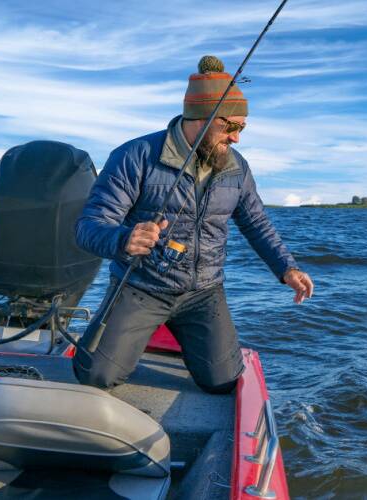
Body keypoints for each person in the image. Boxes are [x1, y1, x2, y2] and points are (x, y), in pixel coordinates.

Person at [73, 55, 313, 394]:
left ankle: (176, 333)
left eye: (242, 128)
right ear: (202, 117)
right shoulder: (134, 155)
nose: (237, 138)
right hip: (142, 288)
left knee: (223, 382)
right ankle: (133, 330)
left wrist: (286, 268)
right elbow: (88, 226)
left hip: (203, 293)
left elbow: (256, 222)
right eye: (231, 126)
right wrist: (124, 239)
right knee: (95, 375)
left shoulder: (237, 168)